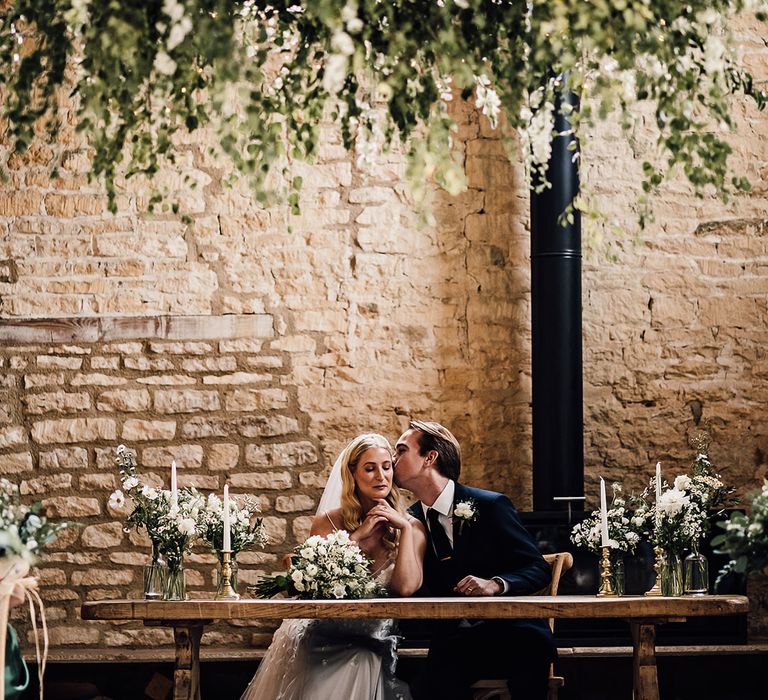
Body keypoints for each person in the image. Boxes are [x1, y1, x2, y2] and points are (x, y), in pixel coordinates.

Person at [240, 433, 427, 700]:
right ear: (353, 474)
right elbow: (315, 586)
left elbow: (405, 588)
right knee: (356, 660)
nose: (380, 477)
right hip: (325, 635)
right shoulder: (327, 521)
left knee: (363, 659)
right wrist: (358, 535)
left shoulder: (413, 526)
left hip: (374, 641)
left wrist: (405, 529)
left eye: (386, 467)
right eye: (370, 468)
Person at [394, 420, 555, 700]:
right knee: (426, 686)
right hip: (455, 641)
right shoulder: (409, 521)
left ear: (429, 458)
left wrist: (496, 584)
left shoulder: (490, 506)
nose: (393, 459)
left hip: (514, 635)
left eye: (401, 451)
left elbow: (538, 568)